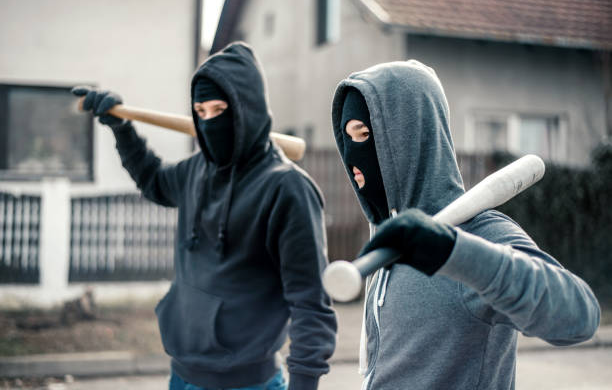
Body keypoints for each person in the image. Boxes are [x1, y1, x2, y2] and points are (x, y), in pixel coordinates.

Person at [72, 42, 337, 390]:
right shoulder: (198, 170)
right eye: (201, 111)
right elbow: (153, 180)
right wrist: (121, 128)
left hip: (247, 383)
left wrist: (304, 384)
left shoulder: (286, 189)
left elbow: (310, 303)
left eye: (220, 109)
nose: (210, 121)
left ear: (248, 108)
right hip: (181, 375)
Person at [330, 59, 601, 390]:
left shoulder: (482, 236)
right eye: (347, 138)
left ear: (410, 136)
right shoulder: (397, 240)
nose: (352, 153)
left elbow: (580, 316)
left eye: (366, 134)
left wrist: (451, 251)